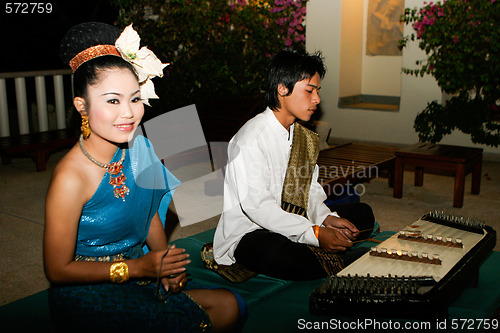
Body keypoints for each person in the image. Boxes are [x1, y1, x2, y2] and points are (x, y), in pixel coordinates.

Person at [44, 22, 245, 332]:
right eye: (113, 100)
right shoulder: (71, 177)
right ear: (81, 106)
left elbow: (149, 210)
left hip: (141, 270)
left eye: (134, 99)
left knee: (231, 306)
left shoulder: (140, 147)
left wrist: (163, 264)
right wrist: (136, 268)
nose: (129, 113)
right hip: (85, 286)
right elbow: (57, 270)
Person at [211, 49, 376, 281]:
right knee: (275, 252)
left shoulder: (303, 137)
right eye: (309, 91)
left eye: (317, 91)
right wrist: (315, 233)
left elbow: (310, 189)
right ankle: (334, 259)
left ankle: (319, 249)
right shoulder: (250, 139)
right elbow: (258, 208)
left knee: (362, 214)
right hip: (254, 230)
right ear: (282, 89)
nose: (316, 99)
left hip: (298, 218)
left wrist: (326, 218)